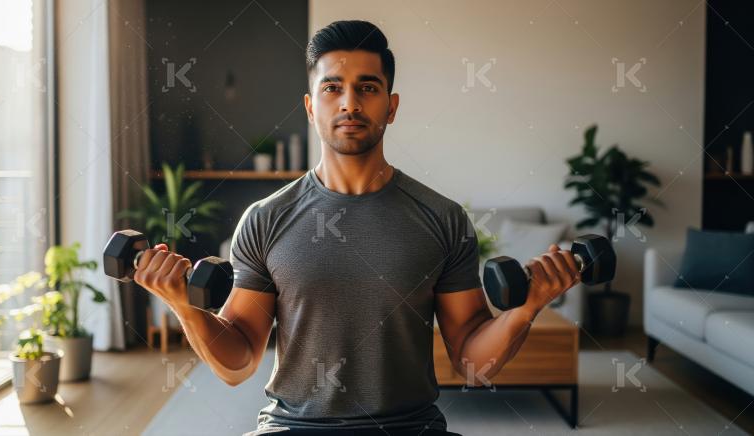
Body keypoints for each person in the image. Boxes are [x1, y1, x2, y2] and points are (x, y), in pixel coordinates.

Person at [133, 20, 580, 436]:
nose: (350, 102)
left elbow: (470, 362)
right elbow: (238, 366)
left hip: (410, 427)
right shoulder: (265, 219)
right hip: (294, 428)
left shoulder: (442, 218)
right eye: (333, 88)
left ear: (392, 106)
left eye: (368, 87)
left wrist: (526, 309)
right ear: (310, 107)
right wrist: (185, 308)